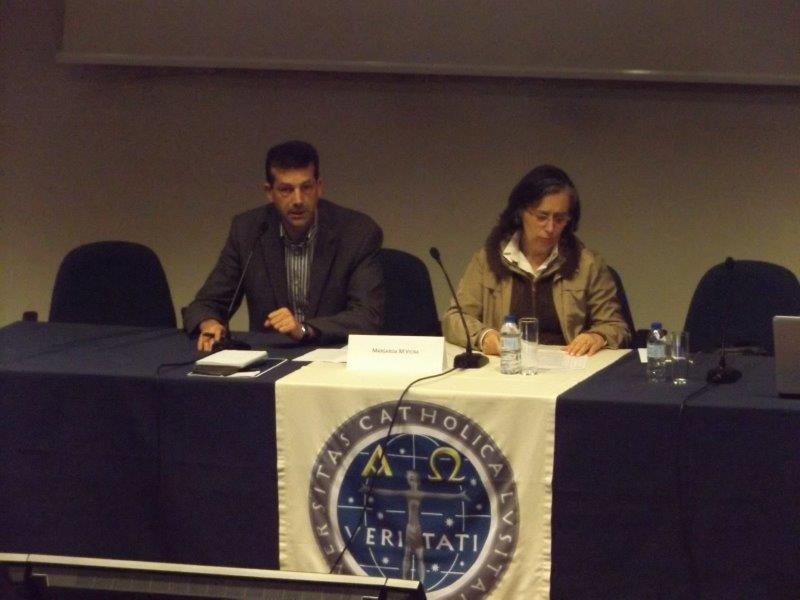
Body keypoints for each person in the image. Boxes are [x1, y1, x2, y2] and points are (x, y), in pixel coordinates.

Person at [184, 140, 384, 350]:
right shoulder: (248, 230)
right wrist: (209, 323)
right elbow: (206, 303)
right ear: (269, 192)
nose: (298, 200)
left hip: (334, 355)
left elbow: (368, 317)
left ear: (319, 187)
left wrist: (304, 329)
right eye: (286, 190)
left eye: (306, 187)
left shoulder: (357, 233)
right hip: (271, 357)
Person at [442, 164, 630, 357]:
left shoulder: (587, 264)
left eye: (560, 219)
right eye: (542, 217)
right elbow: (454, 319)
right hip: (507, 365)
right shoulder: (487, 261)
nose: (550, 228)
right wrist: (484, 336)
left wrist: (597, 336)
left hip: (567, 365)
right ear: (521, 213)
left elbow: (616, 326)